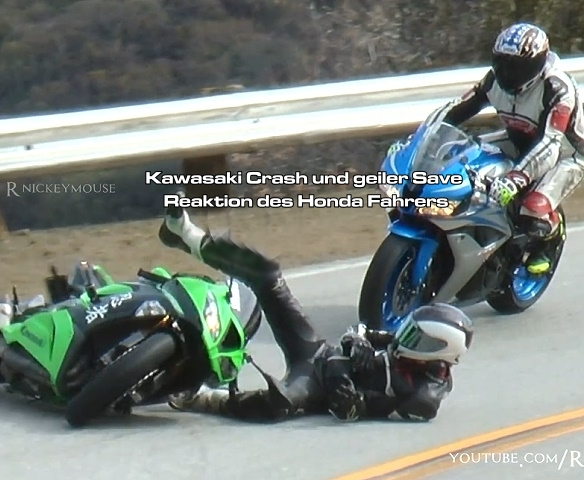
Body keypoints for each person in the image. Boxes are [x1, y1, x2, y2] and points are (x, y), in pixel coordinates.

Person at [159, 199, 474, 422]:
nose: (406, 337)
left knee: (280, 403)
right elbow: (363, 332)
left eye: (416, 337)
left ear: (437, 352)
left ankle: (203, 399)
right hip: (317, 352)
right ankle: (186, 235)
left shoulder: (423, 398)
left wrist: (351, 401)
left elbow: (359, 409)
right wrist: (357, 342)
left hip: (317, 387)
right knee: (268, 275)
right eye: (411, 330)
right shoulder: (407, 347)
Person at [390, 22, 584, 275]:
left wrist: (515, 179)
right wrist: (419, 140)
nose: (508, 73)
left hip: (567, 153)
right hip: (518, 139)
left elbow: (550, 143)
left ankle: (549, 236)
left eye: (517, 67)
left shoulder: (557, 90)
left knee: (532, 208)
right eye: (502, 63)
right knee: (462, 160)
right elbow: (456, 110)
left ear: (538, 63)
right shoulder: (494, 80)